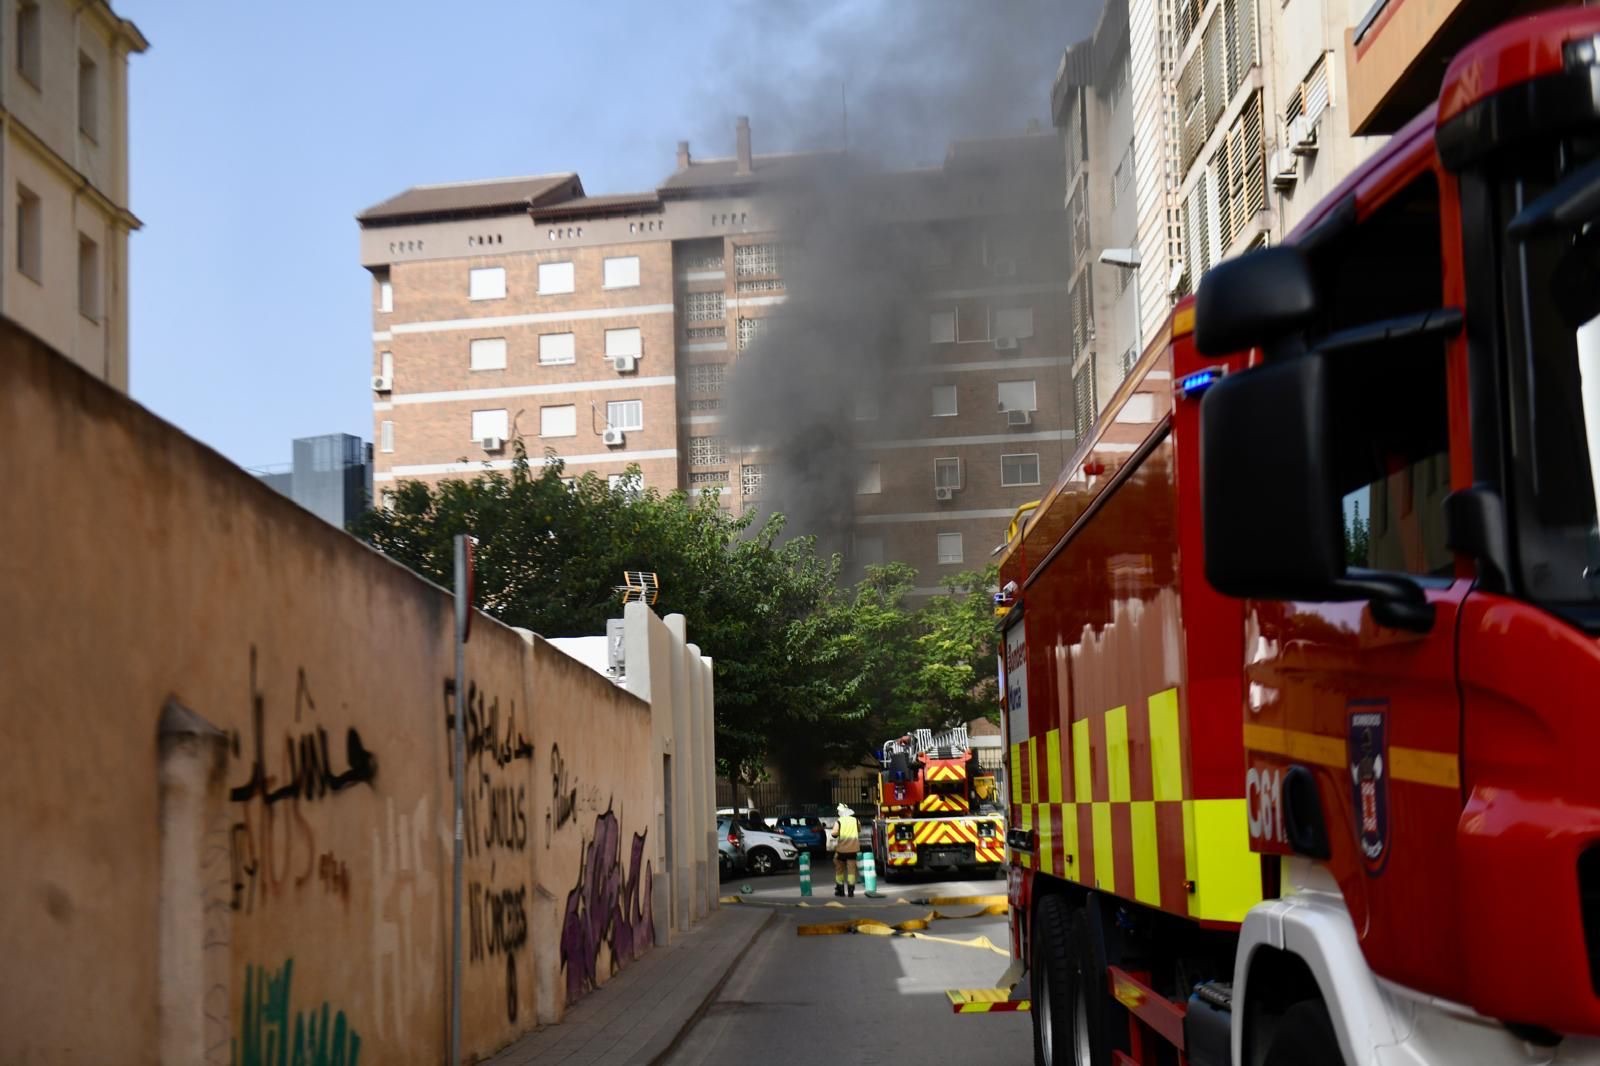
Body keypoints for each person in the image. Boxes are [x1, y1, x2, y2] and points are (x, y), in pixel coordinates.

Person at [834, 803, 861, 897]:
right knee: (851, 870)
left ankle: (840, 889)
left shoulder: (839, 821)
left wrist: (837, 834)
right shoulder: (856, 820)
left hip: (841, 850)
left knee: (839, 868)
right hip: (853, 849)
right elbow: (859, 830)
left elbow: (834, 833)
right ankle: (851, 890)